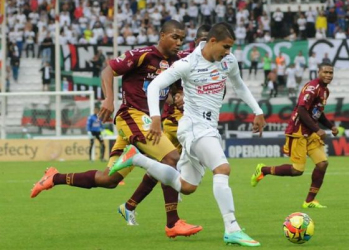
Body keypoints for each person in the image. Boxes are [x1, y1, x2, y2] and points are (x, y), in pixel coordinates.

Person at [30, 20, 201, 238]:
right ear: (162, 35)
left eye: (181, 39)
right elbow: (108, 70)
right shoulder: (143, 55)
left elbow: (172, 91)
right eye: (174, 37)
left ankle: (54, 177)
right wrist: (109, 100)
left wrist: (177, 97)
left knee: (108, 179)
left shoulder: (176, 62)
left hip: (142, 124)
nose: (178, 42)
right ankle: (173, 223)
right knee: (170, 158)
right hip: (133, 116)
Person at [108, 22, 266, 247]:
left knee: (187, 186)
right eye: (226, 46)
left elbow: (239, 86)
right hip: (194, 127)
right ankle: (232, 228)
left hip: (209, 128)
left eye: (231, 48)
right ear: (212, 42)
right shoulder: (188, 63)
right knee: (222, 168)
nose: (228, 52)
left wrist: (257, 110)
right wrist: (155, 118)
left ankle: (136, 158)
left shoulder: (228, 61)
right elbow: (154, 86)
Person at [120, 24, 211, 223]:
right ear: (196, 42)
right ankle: (173, 217)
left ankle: (130, 205)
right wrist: (175, 98)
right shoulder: (183, 59)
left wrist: (182, 94)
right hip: (174, 120)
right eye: (203, 41)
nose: (206, 45)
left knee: (165, 165)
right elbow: (161, 86)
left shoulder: (216, 64)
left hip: (185, 120)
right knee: (182, 162)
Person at [251, 62, 338, 209]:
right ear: (318, 72)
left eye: (331, 72)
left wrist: (331, 126)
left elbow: (317, 112)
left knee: (322, 164)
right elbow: (302, 110)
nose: (328, 75)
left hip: (310, 132)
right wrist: (318, 129)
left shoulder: (325, 90)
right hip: (298, 131)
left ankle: (309, 201)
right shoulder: (312, 88)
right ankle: (263, 170)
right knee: (297, 170)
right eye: (325, 72)